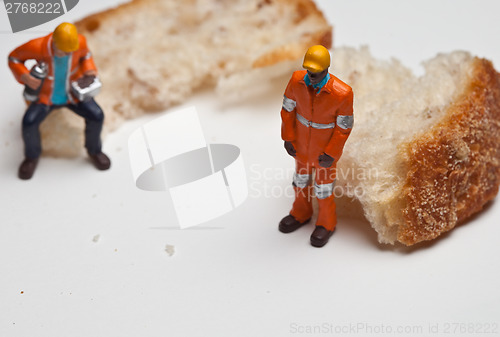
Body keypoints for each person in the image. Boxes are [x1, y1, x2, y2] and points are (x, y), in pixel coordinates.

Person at [8, 22, 111, 180]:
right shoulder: (37, 46)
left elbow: (86, 55)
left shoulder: (80, 42)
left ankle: (94, 150)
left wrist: (89, 70)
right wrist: (25, 76)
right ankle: (31, 157)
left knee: (97, 115)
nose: (68, 54)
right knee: (29, 122)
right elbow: (14, 58)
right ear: (54, 43)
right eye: (64, 51)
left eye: (71, 51)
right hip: (45, 97)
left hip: (73, 94)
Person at [278, 45, 354, 247]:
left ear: (326, 69)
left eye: (316, 72)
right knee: (300, 182)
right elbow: (287, 110)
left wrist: (332, 153)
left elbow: (344, 127)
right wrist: (288, 137)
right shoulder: (296, 81)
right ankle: (300, 213)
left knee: (323, 190)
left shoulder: (342, 93)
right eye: (309, 71)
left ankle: (326, 224)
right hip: (301, 148)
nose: (311, 76)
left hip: (324, 153)